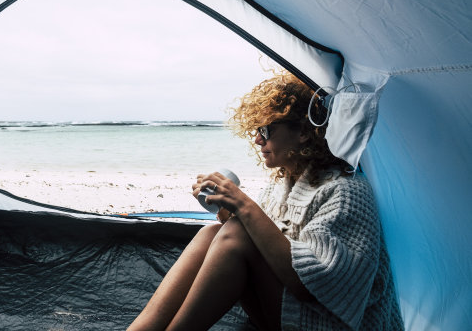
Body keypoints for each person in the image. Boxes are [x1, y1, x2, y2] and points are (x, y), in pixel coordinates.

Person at [128, 72, 403, 330]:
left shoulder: (346, 192)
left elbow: (307, 287)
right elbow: (262, 249)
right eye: (256, 131)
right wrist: (227, 210)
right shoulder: (281, 187)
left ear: (304, 132)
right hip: (290, 310)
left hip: (331, 322)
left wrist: (244, 206)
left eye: (267, 130)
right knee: (213, 231)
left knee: (236, 231)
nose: (258, 139)